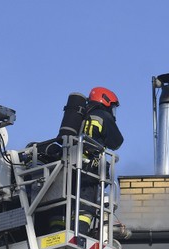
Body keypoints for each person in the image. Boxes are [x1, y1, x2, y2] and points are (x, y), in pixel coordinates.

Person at [49, 87, 124, 235]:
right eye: (113, 107)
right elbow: (117, 142)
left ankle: (55, 232)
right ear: (106, 101)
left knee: (64, 202)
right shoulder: (102, 115)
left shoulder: (79, 117)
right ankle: (80, 235)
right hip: (89, 170)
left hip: (68, 166)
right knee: (86, 206)